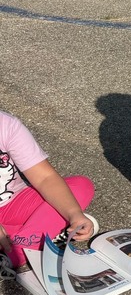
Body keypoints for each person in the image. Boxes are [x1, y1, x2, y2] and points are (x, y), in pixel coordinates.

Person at [1, 110, 95, 273]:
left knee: (81, 187)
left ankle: (17, 246)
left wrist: (74, 214)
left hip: (14, 203)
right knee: (57, 215)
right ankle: (41, 235)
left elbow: (45, 178)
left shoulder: (6, 125)